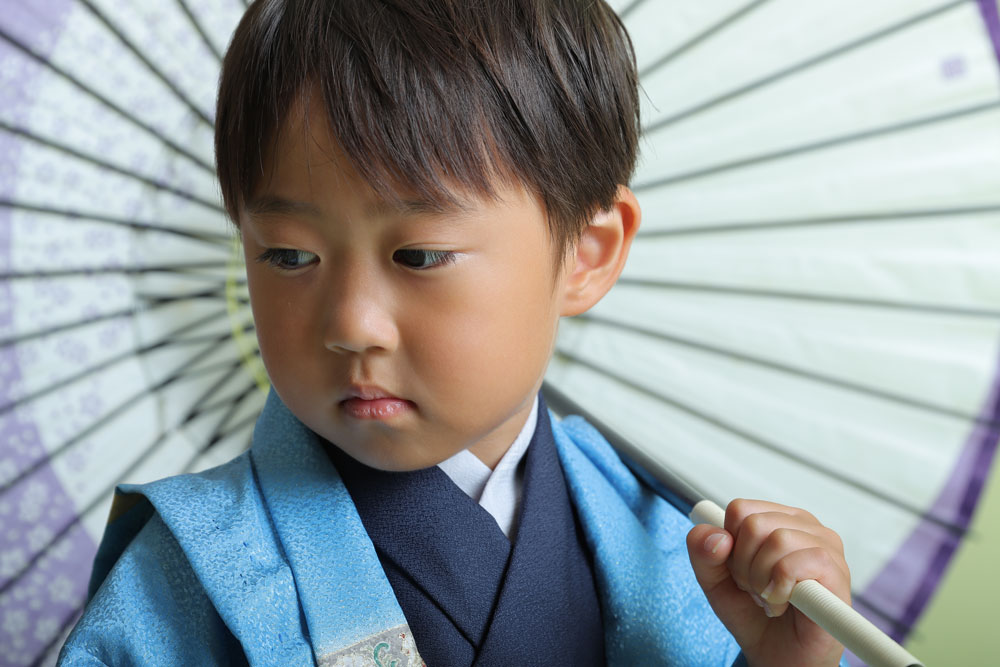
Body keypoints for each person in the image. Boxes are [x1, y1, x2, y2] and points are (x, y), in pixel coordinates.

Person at [59, 1, 851, 665]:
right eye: (289, 253)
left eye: (420, 254)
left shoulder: (689, 558)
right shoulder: (188, 575)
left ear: (587, 252)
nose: (350, 323)